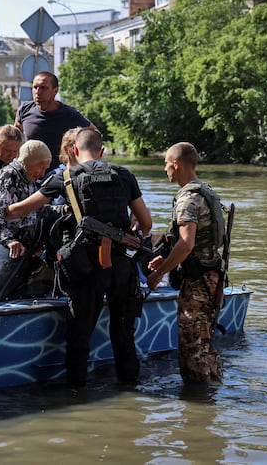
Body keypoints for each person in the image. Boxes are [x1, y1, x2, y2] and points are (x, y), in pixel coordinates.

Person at [44, 128, 152, 388]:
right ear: (102, 152)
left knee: (80, 334)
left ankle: (76, 394)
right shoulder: (124, 175)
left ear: (74, 150)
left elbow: (22, 209)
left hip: (85, 267)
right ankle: (130, 388)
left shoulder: (66, 177)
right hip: (122, 267)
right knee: (123, 333)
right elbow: (146, 223)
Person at [146, 142, 224, 384]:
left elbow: (186, 243)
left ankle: (197, 408)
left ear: (176, 164)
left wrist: (160, 272)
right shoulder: (205, 191)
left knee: (193, 351)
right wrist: (169, 257)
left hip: (198, 285)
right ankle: (212, 400)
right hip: (212, 279)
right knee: (204, 345)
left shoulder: (188, 200)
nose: (165, 169)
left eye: (166, 164)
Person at [0, 140, 52, 259]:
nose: (42, 174)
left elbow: (34, 209)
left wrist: (61, 210)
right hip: (0, 250)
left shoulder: (29, 178)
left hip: (21, 249)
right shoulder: (9, 177)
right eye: (41, 168)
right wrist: (9, 240)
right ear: (28, 162)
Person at [14, 72, 93, 172]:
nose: (38, 92)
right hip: (29, 174)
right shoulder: (25, 109)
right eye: (35, 87)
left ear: (55, 91)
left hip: (57, 175)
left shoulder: (69, 114)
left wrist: (79, 160)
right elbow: (14, 138)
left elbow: (93, 134)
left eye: (43, 88)